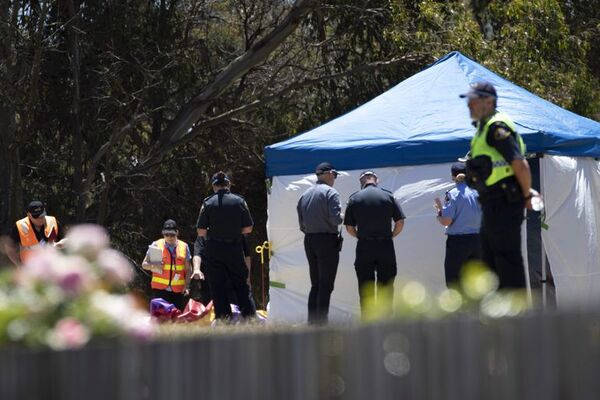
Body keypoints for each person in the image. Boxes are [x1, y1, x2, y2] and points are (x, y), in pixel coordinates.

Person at [460, 81, 536, 289]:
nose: (469, 105)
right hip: (491, 202)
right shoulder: (482, 130)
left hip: (504, 199)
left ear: (489, 102)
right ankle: (500, 313)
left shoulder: (497, 127)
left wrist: (527, 196)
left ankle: (516, 314)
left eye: (474, 101)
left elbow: (520, 164)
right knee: (490, 260)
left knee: (506, 258)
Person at [196, 171, 257, 321]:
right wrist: (234, 230)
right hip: (234, 248)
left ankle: (224, 319)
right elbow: (249, 228)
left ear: (213, 186)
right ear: (228, 184)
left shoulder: (208, 203)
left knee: (218, 286)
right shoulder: (239, 201)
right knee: (241, 284)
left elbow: (201, 231)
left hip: (214, 249)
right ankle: (249, 317)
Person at [343, 171, 405, 316]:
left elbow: (349, 227)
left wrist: (360, 236)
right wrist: (391, 235)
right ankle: (386, 322)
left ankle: (368, 323)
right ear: (376, 180)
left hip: (365, 247)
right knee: (386, 287)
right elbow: (400, 222)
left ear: (361, 181)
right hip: (385, 246)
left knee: (366, 288)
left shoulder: (354, 198)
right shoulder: (388, 196)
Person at [297, 162, 343, 324]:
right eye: (335, 175)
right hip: (326, 241)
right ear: (330, 173)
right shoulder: (331, 193)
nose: (335, 179)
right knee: (326, 285)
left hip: (309, 240)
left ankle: (312, 323)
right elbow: (335, 219)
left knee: (315, 284)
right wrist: (344, 215)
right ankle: (321, 325)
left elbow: (301, 224)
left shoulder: (305, 194)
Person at [434, 162, 482, 287]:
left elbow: (446, 221)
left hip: (459, 243)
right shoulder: (479, 191)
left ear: (452, 176)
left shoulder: (453, 194)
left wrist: (439, 212)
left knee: (455, 282)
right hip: (479, 241)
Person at [142, 219, 198, 311]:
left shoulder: (184, 247)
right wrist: (154, 266)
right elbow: (144, 264)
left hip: (178, 290)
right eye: (166, 235)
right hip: (159, 290)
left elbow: (188, 269)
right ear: (163, 234)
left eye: (172, 235)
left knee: (176, 319)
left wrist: (187, 286)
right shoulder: (156, 245)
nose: (169, 237)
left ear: (177, 233)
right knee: (160, 318)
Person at [192, 234, 252, 306]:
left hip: (232, 279)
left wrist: (247, 278)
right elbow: (197, 254)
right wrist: (196, 269)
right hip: (210, 280)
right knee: (211, 310)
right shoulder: (203, 234)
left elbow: (246, 255)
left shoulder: (236, 231)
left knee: (235, 308)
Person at [5, 200, 67, 265]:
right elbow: (9, 247)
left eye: (42, 215)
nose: (40, 219)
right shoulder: (20, 226)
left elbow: (66, 239)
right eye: (36, 216)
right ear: (29, 215)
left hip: (51, 267)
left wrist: (60, 244)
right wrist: (19, 265)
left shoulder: (53, 222)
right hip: (30, 269)